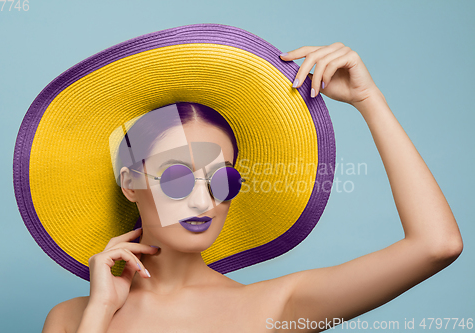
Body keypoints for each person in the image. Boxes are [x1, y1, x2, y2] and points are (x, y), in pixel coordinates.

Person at [41, 42, 462, 333]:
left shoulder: (275, 309)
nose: (203, 200)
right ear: (130, 183)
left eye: (221, 178)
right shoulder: (71, 318)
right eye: (176, 177)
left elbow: (436, 245)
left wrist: (370, 100)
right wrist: (98, 314)